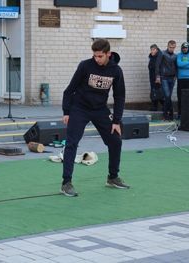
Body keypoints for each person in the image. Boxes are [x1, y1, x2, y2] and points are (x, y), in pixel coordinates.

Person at [61, 38, 128, 197]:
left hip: (100, 109)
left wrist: (116, 121)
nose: (96, 59)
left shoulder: (116, 71)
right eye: (95, 56)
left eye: (100, 56)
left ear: (108, 54)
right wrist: (66, 111)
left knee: (115, 141)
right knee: (72, 143)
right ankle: (66, 183)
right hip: (79, 108)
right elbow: (69, 90)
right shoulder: (85, 66)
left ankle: (113, 177)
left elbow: (119, 96)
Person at [155, 40, 177, 121]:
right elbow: (157, 65)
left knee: (168, 96)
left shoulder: (175, 56)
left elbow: (176, 66)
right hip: (164, 77)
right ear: (167, 46)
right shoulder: (163, 54)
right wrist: (158, 76)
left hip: (172, 78)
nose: (171, 49)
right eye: (170, 47)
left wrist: (176, 76)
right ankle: (168, 111)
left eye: (173, 47)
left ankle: (168, 112)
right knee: (167, 95)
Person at [176, 41, 189, 120]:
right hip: (180, 78)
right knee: (180, 97)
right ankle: (180, 113)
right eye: (183, 48)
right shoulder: (179, 55)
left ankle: (188, 114)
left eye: (186, 48)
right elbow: (179, 64)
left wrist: (184, 64)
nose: (184, 49)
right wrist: (188, 63)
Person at [148, 44, 164, 111]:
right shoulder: (152, 58)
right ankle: (154, 106)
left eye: (153, 50)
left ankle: (165, 106)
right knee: (154, 92)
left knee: (158, 92)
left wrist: (158, 76)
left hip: (158, 77)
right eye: (151, 50)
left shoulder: (159, 57)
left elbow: (158, 67)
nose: (152, 51)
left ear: (157, 50)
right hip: (152, 77)